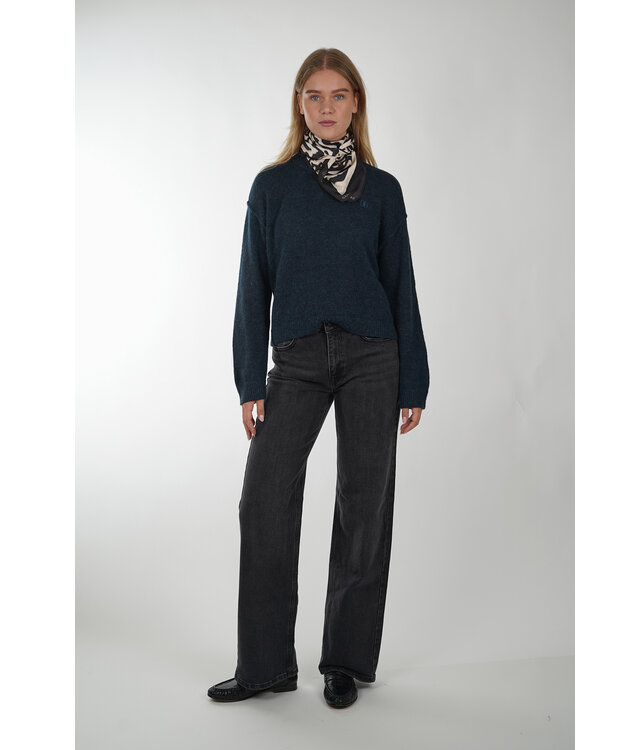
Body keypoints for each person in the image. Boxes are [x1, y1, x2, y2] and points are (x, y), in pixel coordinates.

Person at [207, 48, 429, 709]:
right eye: (314, 96)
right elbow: (252, 287)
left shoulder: (383, 191)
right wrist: (250, 379)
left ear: (356, 104)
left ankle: (345, 663)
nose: (326, 107)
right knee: (263, 501)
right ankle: (266, 666)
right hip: (298, 362)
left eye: (338, 95)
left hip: (373, 359)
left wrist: (413, 381)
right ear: (299, 105)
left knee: (364, 507)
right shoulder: (272, 187)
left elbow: (401, 285)